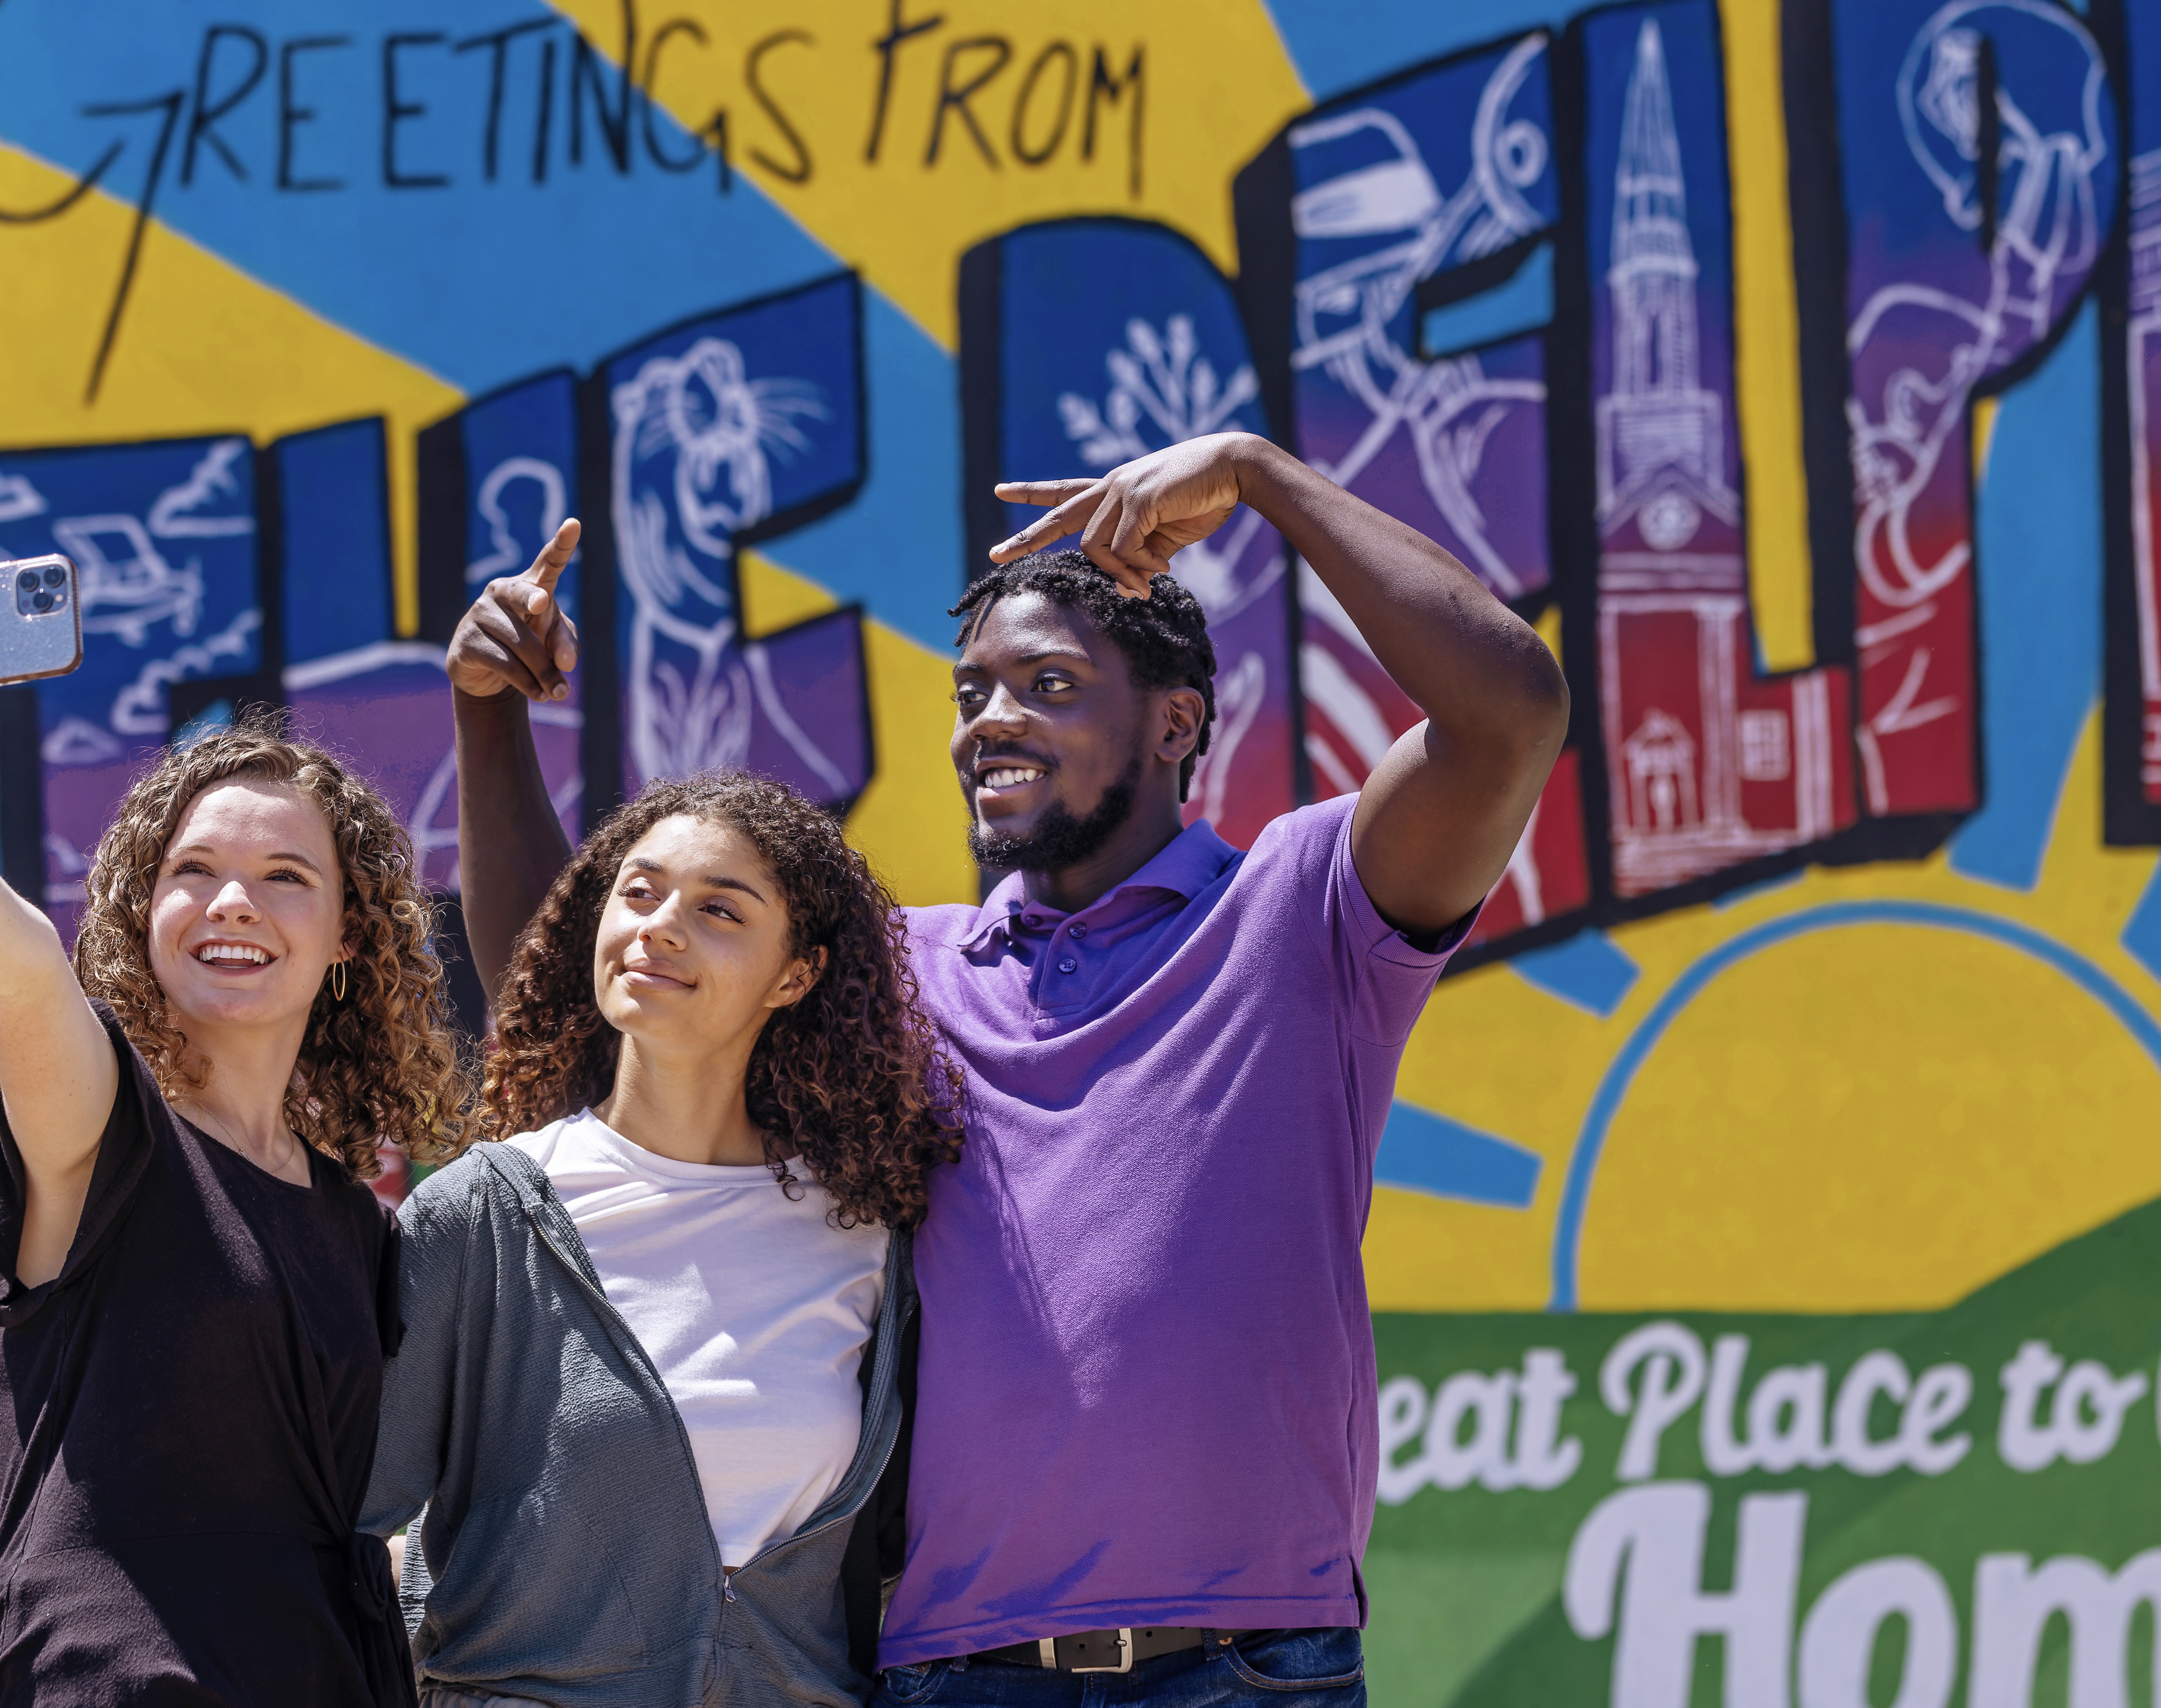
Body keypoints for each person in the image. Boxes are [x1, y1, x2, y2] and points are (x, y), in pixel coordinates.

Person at [445, 428, 1568, 1704]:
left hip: (1251, 1664)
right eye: (971, 691)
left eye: (1046, 683)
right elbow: (599, 991)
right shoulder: (896, 973)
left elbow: (1509, 712)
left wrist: (1262, 475)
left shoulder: (1304, 909)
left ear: (1174, 721)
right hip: (956, 1670)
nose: (992, 721)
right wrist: (488, 722)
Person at [0, 561, 471, 1707]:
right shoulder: (101, 1125)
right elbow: (17, 965)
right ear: (141, 916)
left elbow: (320, 1529)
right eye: (195, 873)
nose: (234, 903)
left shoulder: (360, 1231)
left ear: (350, 939)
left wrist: (28, 1534)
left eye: (284, 877)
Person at [362, 771, 960, 1706]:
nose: (660, 925)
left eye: (720, 909)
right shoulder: (482, 1213)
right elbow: (356, 1523)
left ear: (796, 973)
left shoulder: (865, 1231)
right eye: (638, 893)